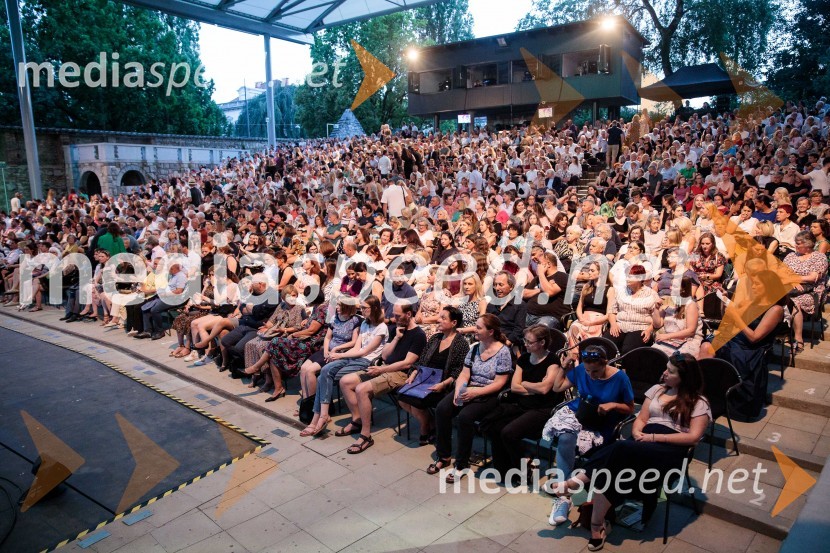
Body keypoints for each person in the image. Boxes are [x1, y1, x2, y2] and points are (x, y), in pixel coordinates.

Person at [549, 353, 710, 551]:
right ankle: (596, 527)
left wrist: (653, 438)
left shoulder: (699, 402)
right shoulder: (657, 390)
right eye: (666, 368)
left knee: (619, 448)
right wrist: (636, 432)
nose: (664, 373)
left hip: (670, 450)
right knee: (609, 470)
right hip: (641, 443)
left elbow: (693, 437)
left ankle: (575, 482)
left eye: (670, 371)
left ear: (685, 377)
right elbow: (641, 419)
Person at [544, 345, 635, 527]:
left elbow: (630, 408)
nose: (591, 375)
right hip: (582, 412)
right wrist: (564, 367)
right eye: (587, 370)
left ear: (605, 363)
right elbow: (557, 387)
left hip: (603, 420)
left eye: (596, 371)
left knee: (598, 447)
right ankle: (564, 497)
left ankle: (576, 491)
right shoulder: (581, 371)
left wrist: (613, 405)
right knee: (565, 438)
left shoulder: (620, 378)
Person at [428, 314, 513, 483]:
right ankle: (444, 455)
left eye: (479, 327)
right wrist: (460, 389)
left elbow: (500, 383)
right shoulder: (474, 347)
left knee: (465, 418)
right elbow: (465, 373)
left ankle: (461, 464)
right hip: (469, 388)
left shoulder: (503, 352)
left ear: (490, 332)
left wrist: (476, 392)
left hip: (488, 393)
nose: (475, 329)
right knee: (442, 409)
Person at [337, 302, 426, 453]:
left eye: (398, 315)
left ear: (409, 314)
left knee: (361, 389)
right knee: (345, 381)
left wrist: (381, 369)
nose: (394, 318)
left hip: (400, 374)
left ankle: (365, 435)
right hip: (384, 368)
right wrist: (397, 338)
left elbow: (407, 364)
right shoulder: (396, 330)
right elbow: (385, 355)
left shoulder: (418, 335)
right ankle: (358, 420)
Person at [481, 324, 563, 484]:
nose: (525, 344)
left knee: (508, 432)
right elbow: (514, 387)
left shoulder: (553, 360)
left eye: (530, 342)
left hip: (542, 409)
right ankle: (505, 469)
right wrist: (533, 387)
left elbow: (545, 389)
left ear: (542, 343)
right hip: (521, 404)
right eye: (525, 340)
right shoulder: (524, 358)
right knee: (492, 426)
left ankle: (522, 469)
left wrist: (525, 383)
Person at [699, 271, 787, 419]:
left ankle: (710, 395)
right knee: (706, 346)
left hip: (751, 348)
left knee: (712, 349)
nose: (752, 287)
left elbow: (754, 337)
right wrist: (725, 301)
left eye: (757, 285)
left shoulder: (775, 309)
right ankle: (702, 394)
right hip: (736, 338)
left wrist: (735, 316)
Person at [302, 295, 388, 437]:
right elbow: (356, 347)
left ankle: (318, 418)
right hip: (354, 357)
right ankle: (321, 415)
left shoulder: (381, 327)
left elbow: (366, 351)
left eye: (365, 308)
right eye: (361, 307)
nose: (362, 310)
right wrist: (339, 354)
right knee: (324, 371)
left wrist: (340, 355)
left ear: (375, 308)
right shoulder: (365, 324)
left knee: (323, 377)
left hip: (366, 361)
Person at [399, 306, 470, 446]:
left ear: (454, 323)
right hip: (424, 378)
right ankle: (430, 423)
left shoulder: (461, 344)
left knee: (416, 402)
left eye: (443, 318)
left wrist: (443, 384)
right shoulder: (435, 338)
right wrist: (413, 373)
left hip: (443, 384)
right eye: (439, 317)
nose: (438, 320)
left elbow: (459, 371)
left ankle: (425, 428)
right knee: (402, 397)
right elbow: (421, 359)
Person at [783, 231, 828, 352]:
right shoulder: (791, 256)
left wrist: (793, 278)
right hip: (790, 288)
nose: (795, 245)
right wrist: (792, 281)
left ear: (808, 245)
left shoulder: (819, 257)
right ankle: (780, 332)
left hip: (812, 291)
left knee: (795, 302)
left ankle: (798, 339)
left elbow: (812, 277)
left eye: (798, 244)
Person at [603, 264, 661, 354]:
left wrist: (649, 329)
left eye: (631, 276)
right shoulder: (621, 291)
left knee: (628, 350)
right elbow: (612, 311)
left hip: (640, 328)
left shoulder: (651, 294)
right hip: (620, 326)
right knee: (604, 345)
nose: (627, 278)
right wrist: (613, 324)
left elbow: (657, 318)